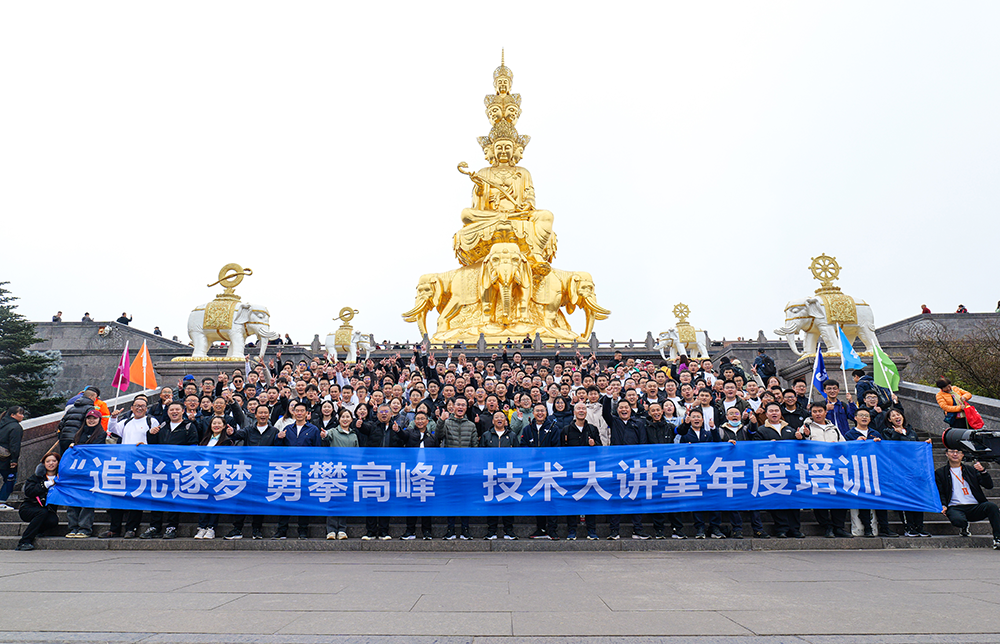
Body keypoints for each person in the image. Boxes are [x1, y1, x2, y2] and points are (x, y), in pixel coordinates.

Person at [101, 395, 159, 538]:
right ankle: (114, 528)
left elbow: (156, 439)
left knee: (135, 496)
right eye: (137, 406)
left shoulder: (151, 421)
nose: (140, 408)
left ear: (146, 408)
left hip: (141, 465)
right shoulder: (126, 421)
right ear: (132, 408)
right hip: (124, 463)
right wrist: (113, 418)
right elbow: (113, 429)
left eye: (143, 406)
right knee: (117, 496)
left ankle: (131, 528)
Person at [225, 405, 279, 540]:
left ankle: (257, 530)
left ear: (268, 415)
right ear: (255, 415)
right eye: (260, 412)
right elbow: (237, 435)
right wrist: (231, 433)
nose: (263, 415)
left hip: (264, 472)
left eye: (265, 413)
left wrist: (280, 438)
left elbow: (278, 448)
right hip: (247, 471)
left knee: (259, 501)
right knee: (241, 499)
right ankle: (237, 529)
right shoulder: (249, 430)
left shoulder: (274, 431)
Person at [802, 402, 851, 538]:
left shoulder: (834, 428)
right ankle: (826, 526)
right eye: (814, 412)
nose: (817, 414)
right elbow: (800, 444)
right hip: (816, 468)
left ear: (825, 412)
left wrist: (838, 447)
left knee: (839, 496)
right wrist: (805, 436)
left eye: (820, 411)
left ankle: (839, 527)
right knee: (820, 499)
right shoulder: (806, 427)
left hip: (834, 468)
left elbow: (844, 446)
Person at [273, 402, 321, 539]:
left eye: (302, 411)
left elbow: (317, 450)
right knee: (285, 500)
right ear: (293, 412)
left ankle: (303, 531)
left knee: (304, 501)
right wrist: (278, 438)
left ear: (307, 413)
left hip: (305, 470)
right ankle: (282, 530)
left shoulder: (313, 430)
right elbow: (279, 448)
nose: (299, 413)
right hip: (289, 470)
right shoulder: (288, 429)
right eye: (297, 411)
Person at [935, 448, 1000, 550]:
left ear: (962, 455)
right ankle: (964, 526)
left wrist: (983, 472)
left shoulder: (971, 470)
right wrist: (943, 505)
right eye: (952, 452)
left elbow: (989, 485)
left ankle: (998, 538)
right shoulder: (940, 472)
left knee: (992, 507)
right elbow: (941, 491)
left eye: (958, 452)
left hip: (974, 505)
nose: (955, 454)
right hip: (955, 507)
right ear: (946, 454)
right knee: (958, 521)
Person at [882, 409, 931, 537]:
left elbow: (917, 450)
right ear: (889, 420)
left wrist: (925, 445)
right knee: (906, 499)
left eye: (898, 414)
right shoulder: (887, 432)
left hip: (914, 470)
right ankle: (909, 527)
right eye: (893, 416)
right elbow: (890, 448)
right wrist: (896, 434)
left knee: (918, 498)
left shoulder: (912, 432)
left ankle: (920, 527)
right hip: (900, 471)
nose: (896, 417)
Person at [562, 402, 601, 540]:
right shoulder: (566, 430)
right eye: (578, 408)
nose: (581, 410)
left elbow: (600, 449)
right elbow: (561, 451)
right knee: (572, 500)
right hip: (572, 471)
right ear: (574, 412)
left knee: (590, 500)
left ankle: (592, 531)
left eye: (583, 408)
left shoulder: (592, 429)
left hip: (588, 471)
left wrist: (594, 444)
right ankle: (572, 531)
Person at [64, 409, 106, 538]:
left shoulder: (101, 434)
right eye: (89, 418)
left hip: (91, 471)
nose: (91, 421)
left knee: (87, 500)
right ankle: (73, 527)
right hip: (76, 471)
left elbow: (95, 450)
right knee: (73, 499)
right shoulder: (79, 433)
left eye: (94, 418)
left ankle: (85, 528)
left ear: (99, 420)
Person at [440, 398, 478, 539]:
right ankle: (450, 529)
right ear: (453, 407)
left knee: (465, 498)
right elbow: (438, 436)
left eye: (463, 405)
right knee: (451, 498)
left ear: (466, 408)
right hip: (450, 467)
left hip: (466, 468)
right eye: (458, 405)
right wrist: (441, 421)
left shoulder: (471, 425)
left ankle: (465, 529)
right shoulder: (447, 423)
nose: (460, 407)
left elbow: (475, 447)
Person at [194, 417, 235, 539]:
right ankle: (201, 527)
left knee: (213, 501)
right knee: (203, 501)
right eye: (214, 423)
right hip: (203, 475)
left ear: (224, 426)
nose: (216, 425)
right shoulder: (206, 440)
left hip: (217, 475)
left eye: (219, 423)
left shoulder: (227, 441)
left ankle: (211, 528)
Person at [480, 411, 519, 540]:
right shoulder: (486, 435)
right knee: (492, 502)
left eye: (502, 417)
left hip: (508, 473)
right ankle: (492, 530)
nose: (499, 419)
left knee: (508, 501)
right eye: (496, 417)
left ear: (506, 421)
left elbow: (517, 454)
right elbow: (481, 454)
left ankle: (509, 530)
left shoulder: (512, 435)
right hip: (491, 473)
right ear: (493, 421)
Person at [400, 410, 437, 540]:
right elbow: (402, 435)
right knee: (411, 502)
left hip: (427, 474)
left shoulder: (432, 437)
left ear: (427, 421)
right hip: (412, 473)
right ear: (414, 421)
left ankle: (427, 531)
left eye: (422, 419)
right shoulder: (410, 433)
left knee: (426, 503)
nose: (420, 421)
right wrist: (397, 430)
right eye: (418, 419)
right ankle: (410, 530)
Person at [15, 452, 61, 551]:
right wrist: (46, 484)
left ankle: (38, 530)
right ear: (43, 463)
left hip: (47, 510)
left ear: (58, 462)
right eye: (48, 461)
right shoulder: (36, 477)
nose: (51, 463)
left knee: (53, 520)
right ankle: (24, 541)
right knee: (42, 512)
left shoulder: (61, 478)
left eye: (54, 461)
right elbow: (29, 491)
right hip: (29, 507)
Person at [0, 406, 26, 511]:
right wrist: (14, 460)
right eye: (20, 414)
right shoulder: (15, 427)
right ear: (12, 415)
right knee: (11, 479)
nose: (22, 416)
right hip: (5, 458)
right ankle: (1, 502)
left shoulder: (2, 423)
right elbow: (14, 445)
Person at [57, 388, 97, 454]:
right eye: (95, 397)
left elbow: (61, 425)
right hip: (77, 439)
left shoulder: (71, 409)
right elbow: (89, 424)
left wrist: (61, 436)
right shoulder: (90, 408)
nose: (95, 399)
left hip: (64, 439)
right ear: (90, 397)